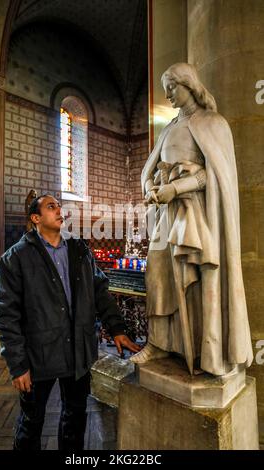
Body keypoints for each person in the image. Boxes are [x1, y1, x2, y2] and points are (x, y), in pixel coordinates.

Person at [0, 194, 140, 451]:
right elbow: (5, 316)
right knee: (31, 424)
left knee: (75, 418)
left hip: (77, 352)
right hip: (39, 355)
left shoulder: (78, 250)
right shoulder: (16, 258)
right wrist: (17, 365)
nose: (59, 210)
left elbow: (99, 291)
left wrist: (116, 327)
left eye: (59, 206)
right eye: (51, 207)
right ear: (36, 218)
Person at [131, 63, 253, 376]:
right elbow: (149, 167)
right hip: (166, 214)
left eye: (172, 86)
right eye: (165, 88)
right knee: (157, 277)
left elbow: (213, 176)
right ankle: (159, 343)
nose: (168, 94)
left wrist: (176, 187)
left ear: (189, 84)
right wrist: (153, 189)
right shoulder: (169, 127)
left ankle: (205, 351)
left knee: (201, 285)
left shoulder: (213, 122)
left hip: (197, 213)